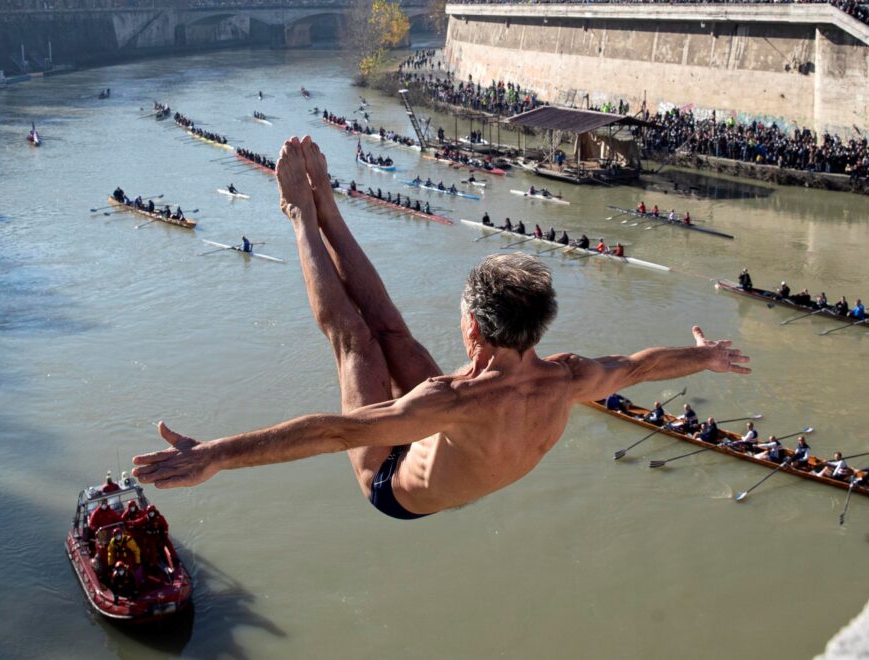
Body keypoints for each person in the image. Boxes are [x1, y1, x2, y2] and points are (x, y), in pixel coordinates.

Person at [131, 136, 750, 520]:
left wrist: (214, 456)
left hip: (394, 486)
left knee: (355, 338)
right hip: (454, 448)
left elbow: (328, 433)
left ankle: (300, 216)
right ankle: (331, 212)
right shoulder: (570, 375)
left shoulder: (449, 399)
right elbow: (641, 366)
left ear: (474, 330)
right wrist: (706, 357)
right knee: (394, 333)